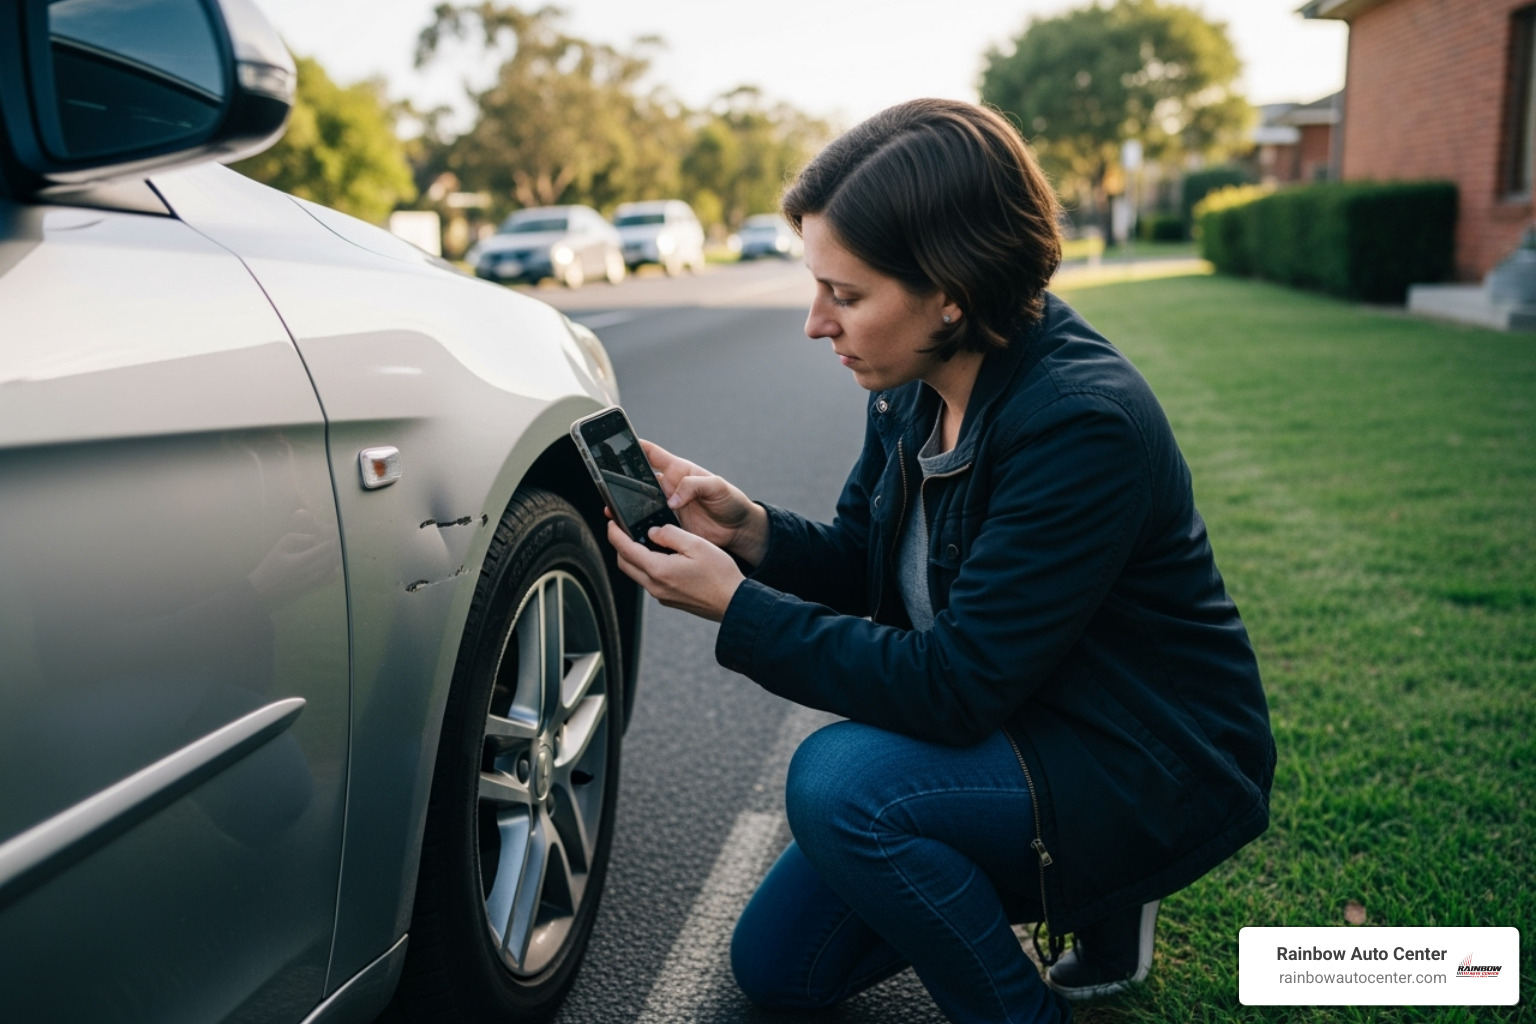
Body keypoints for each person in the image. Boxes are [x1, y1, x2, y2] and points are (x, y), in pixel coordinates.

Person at [604, 98, 1275, 1024]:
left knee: (841, 786)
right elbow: (866, 563)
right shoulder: (915, 384)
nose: (815, 324)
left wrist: (738, 611)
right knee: (779, 971)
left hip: (1143, 763)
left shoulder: (1082, 423)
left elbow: (955, 686)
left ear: (953, 292)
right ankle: (1078, 890)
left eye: (845, 295)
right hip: (1024, 718)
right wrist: (750, 531)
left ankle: (1041, 980)